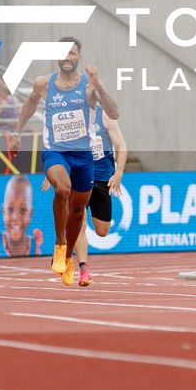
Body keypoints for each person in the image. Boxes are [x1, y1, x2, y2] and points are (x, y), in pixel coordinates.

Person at [5, 40, 118, 288]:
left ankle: (67, 259)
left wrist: (99, 83)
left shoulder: (89, 86)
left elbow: (114, 112)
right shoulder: (44, 83)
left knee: (78, 211)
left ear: (79, 56)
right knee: (63, 189)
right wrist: (17, 132)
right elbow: (31, 102)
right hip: (56, 152)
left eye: (72, 53)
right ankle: (60, 244)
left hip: (83, 157)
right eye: (63, 53)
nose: (67, 57)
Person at [70, 93, 127, 288]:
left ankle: (65, 244)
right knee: (80, 221)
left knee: (102, 231)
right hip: (80, 176)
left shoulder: (105, 116)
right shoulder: (73, 118)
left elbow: (121, 145)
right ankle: (83, 269)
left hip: (103, 178)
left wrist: (118, 172)